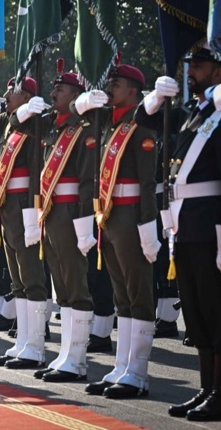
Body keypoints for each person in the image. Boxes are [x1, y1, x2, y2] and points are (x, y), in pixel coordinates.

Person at [135, 43, 221, 420]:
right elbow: (146, 119)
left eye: (201, 66)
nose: (192, 71)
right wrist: (156, 98)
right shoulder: (193, 113)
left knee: (218, 312)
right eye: (191, 64)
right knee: (197, 312)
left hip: (210, 228)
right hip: (184, 226)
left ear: (220, 73)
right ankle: (207, 389)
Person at [72, 64, 160, 399]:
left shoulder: (140, 128)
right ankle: (122, 366)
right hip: (108, 216)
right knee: (122, 295)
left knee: (138, 295)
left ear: (134, 92)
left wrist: (148, 226)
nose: (110, 88)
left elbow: (148, 181)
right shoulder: (109, 125)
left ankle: (138, 372)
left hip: (130, 216)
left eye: (117, 84)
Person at [11, 71, 97, 382]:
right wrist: (26, 108)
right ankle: (65, 355)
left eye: (60, 89)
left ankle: (77, 358)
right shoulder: (51, 126)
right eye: (54, 87)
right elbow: (15, 126)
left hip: (71, 213)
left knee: (75, 285)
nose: (53, 92)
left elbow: (88, 180)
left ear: (76, 95)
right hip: (50, 211)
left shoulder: (83, 128)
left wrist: (85, 223)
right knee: (61, 286)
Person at [0, 77, 49, 369]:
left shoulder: (33, 122)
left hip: (23, 205)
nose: (4, 94)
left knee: (31, 278)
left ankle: (36, 346)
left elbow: (35, 173)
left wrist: (32, 217)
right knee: (17, 280)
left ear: (28, 95)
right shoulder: (8, 121)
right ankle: (23, 342)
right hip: (6, 205)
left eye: (11, 91)